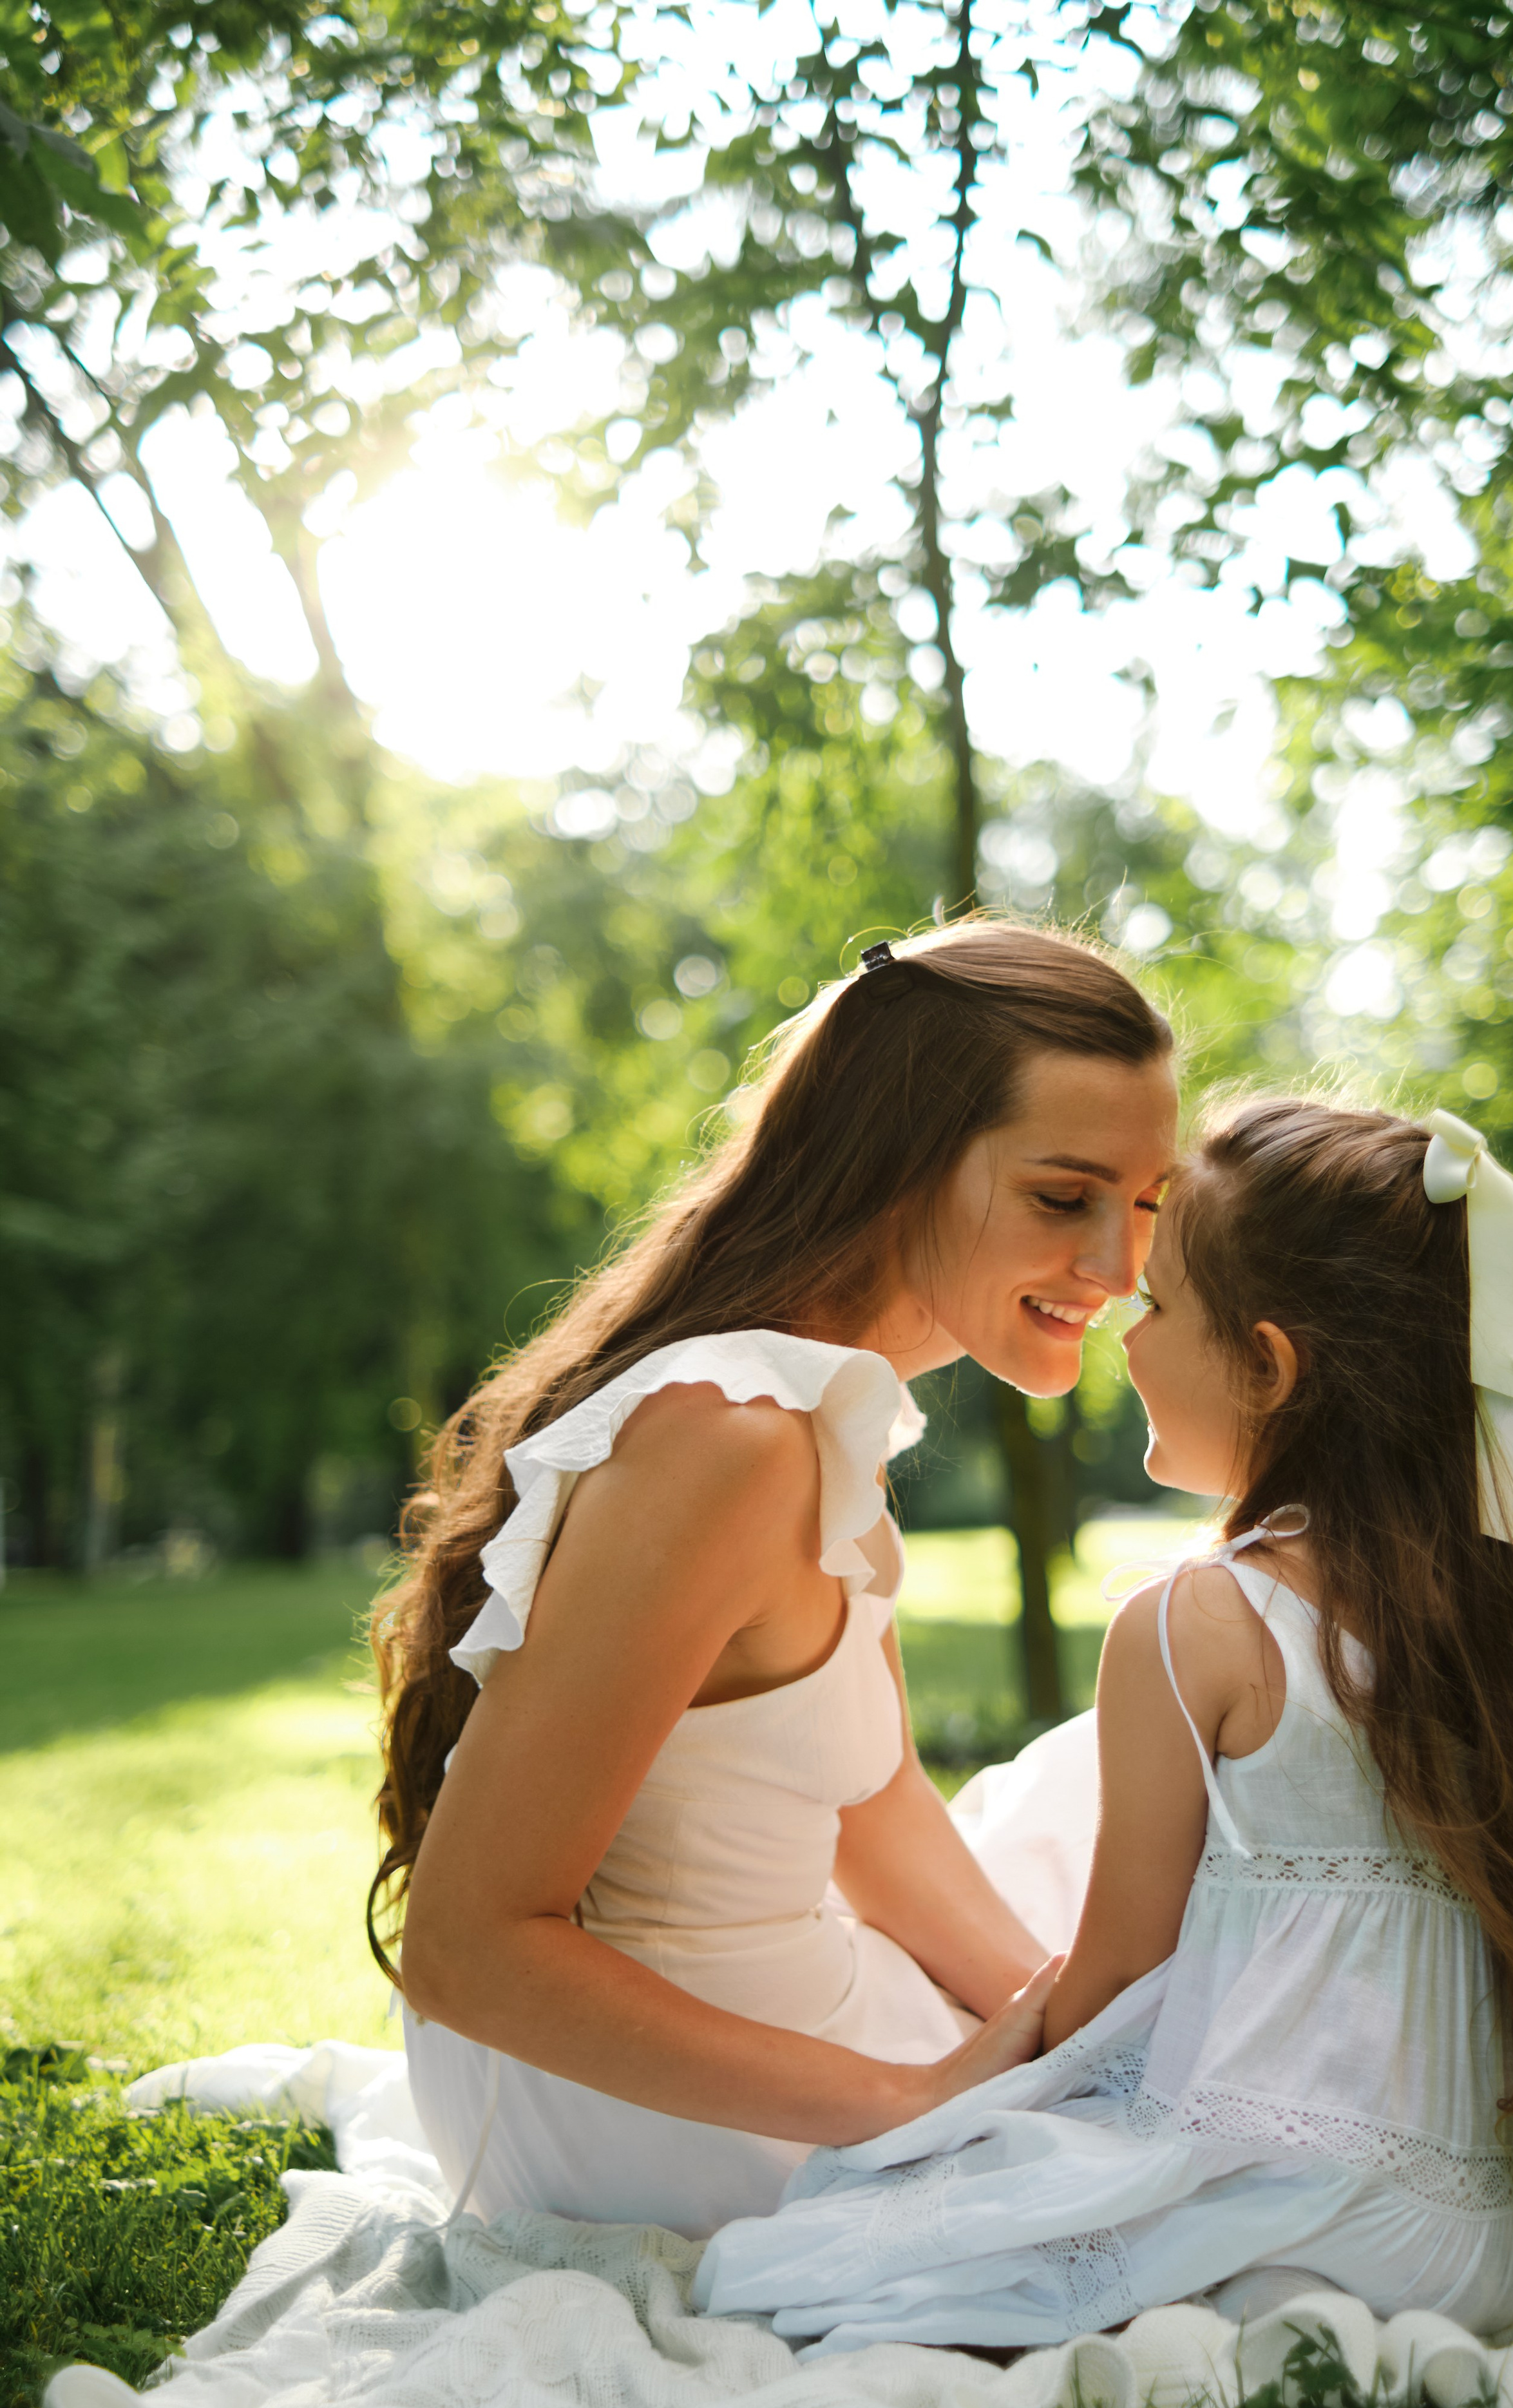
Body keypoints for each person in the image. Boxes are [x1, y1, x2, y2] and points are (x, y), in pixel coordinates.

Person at [695, 1096, 1513, 2347]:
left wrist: (967, 2090)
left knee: (816, 2250)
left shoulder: (1196, 1621)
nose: (1122, 1342)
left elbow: (1114, 1976)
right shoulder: (1503, 1620)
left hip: (1300, 2214)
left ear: (1267, 1364)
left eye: (1154, 1308)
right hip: (1487, 2235)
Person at [368, 918, 1179, 2235]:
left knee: (1142, 1960)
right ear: (901, 1160)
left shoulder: (813, 1418)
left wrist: (1063, 2024)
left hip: (749, 2031)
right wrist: (916, 2098)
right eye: (1061, 1197)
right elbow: (465, 1950)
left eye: (1147, 1206)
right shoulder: (725, 1443)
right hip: (637, 2115)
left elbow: (876, 1813)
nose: (1121, 1270)